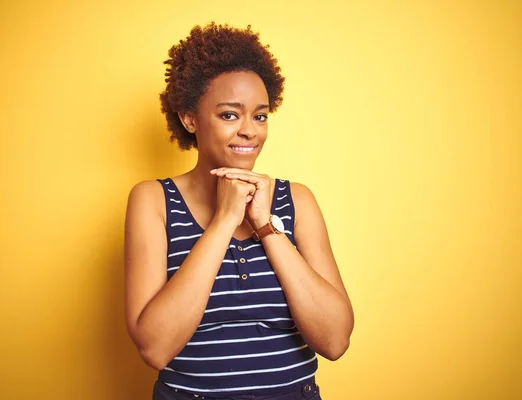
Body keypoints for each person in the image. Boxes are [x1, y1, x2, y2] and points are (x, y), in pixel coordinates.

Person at [124, 22, 354, 400]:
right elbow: (154, 347)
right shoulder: (153, 201)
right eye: (230, 115)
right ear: (190, 118)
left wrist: (264, 225)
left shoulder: (297, 200)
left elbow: (335, 340)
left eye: (260, 116)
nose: (250, 131)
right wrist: (226, 219)